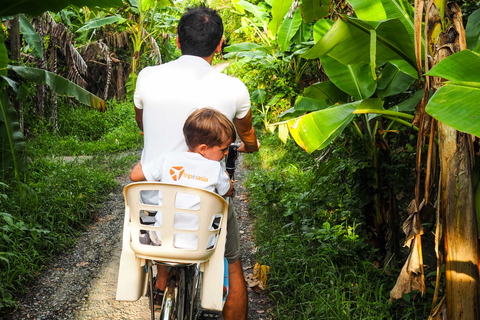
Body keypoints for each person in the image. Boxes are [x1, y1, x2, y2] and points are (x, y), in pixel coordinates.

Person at [133, 5, 259, 319]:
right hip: (202, 204)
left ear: (177, 41)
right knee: (232, 261)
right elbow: (247, 135)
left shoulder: (147, 77)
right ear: (219, 45)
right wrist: (249, 147)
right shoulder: (234, 88)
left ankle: (162, 281)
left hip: (152, 205)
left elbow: (142, 124)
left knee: (159, 207)